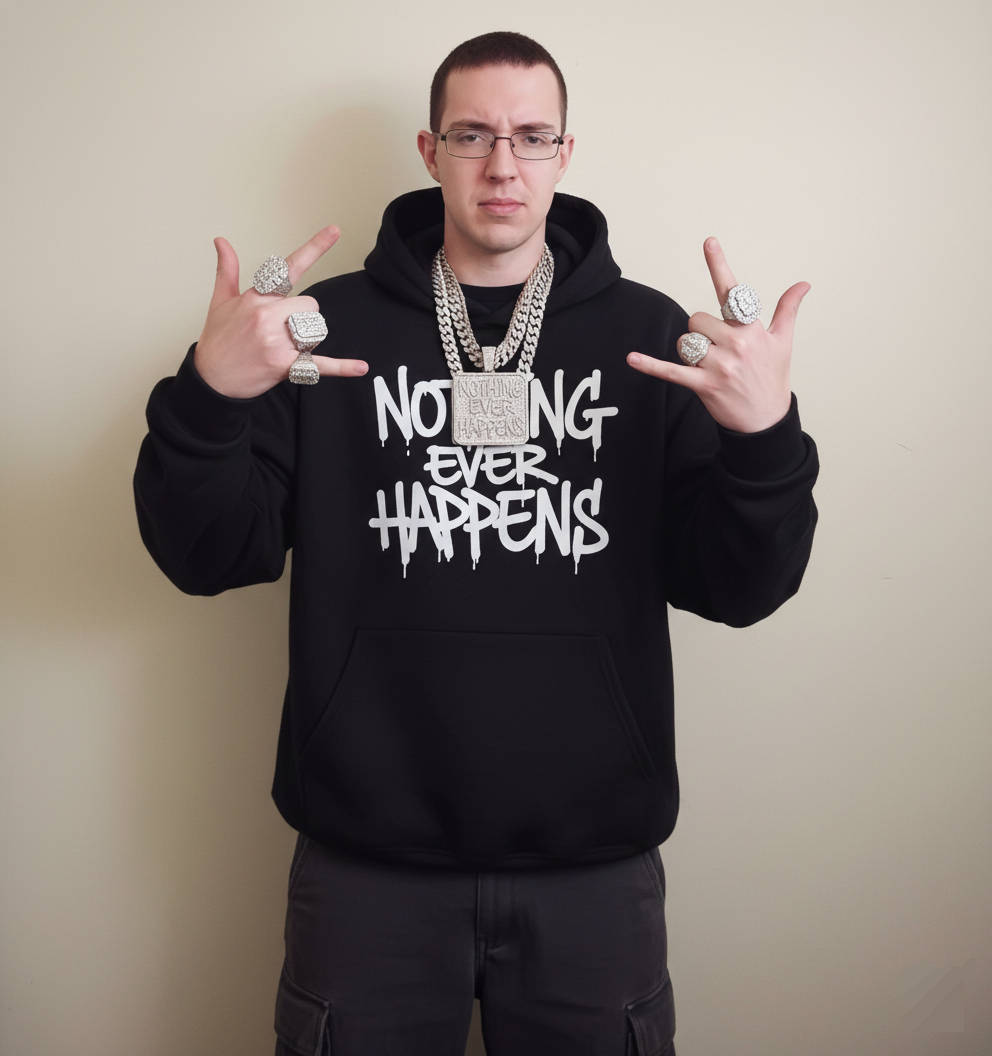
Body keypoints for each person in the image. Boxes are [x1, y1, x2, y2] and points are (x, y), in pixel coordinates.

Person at [134, 31, 818, 1056]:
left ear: (565, 153)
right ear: (430, 150)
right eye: (472, 135)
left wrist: (763, 440)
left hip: (592, 869)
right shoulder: (315, 334)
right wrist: (208, 398)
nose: (503, 164)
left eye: (531, 136)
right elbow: (206, 557)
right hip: (365, 867)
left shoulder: (655, 344)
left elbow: (739, 588)